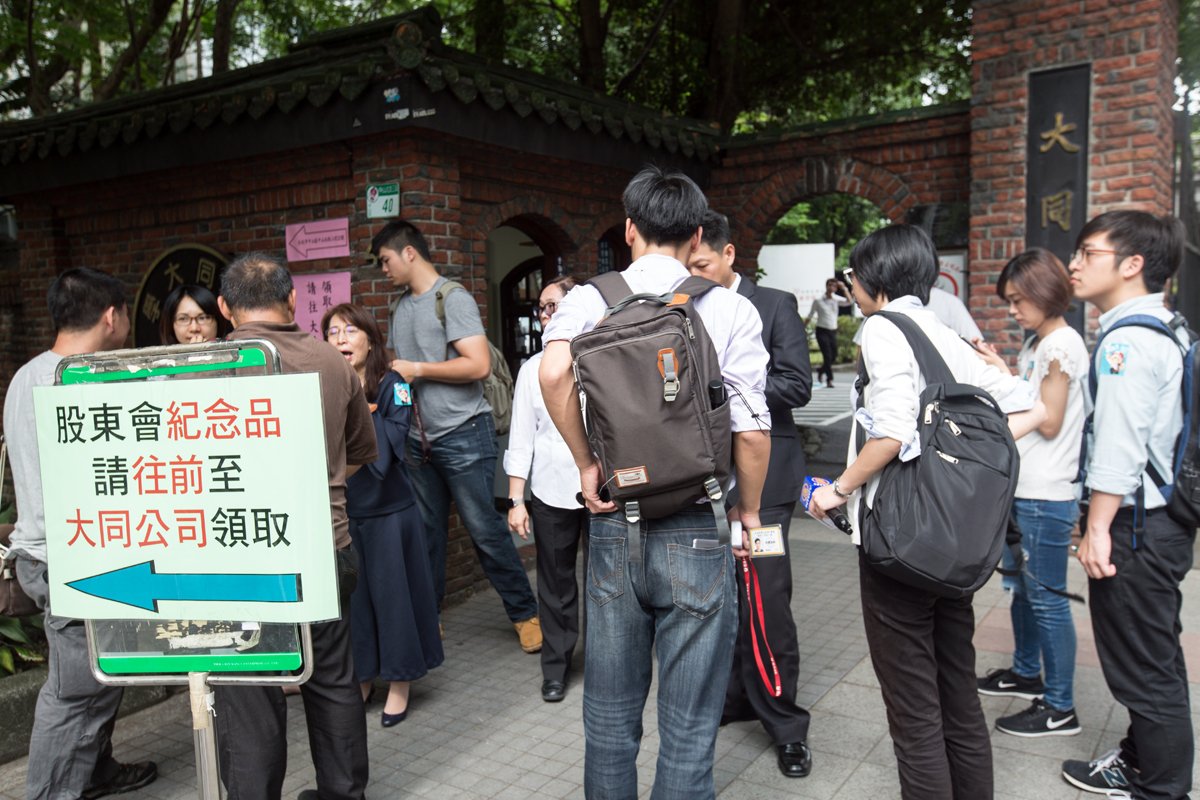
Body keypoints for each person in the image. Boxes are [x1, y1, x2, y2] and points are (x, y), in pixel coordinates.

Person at [540, 166, 772, 800]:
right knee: (690, 728)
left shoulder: (590, 298)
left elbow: (554, 374)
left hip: (617, 522)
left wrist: (588, 465)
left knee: (611, 722)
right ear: (697, 235)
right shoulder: (726, 306)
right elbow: (751, 432)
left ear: (630, 229)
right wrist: (747, 513)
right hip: (699, 522)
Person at [807, 224, 1046, 800]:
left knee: (915, 713)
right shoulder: (942, 330)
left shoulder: (884, 328)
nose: (852, 287)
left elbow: (890, 432)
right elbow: (1023, 403)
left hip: (901, 544)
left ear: (873, 280)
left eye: (853, 277)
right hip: (956, 542)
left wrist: (835, 491)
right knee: (957, 693)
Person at [214, 253, 377, 800]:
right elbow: (360, 450)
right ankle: (344, 793)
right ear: (290, 300)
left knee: (248, 689)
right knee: (332, 679)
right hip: (325, 544)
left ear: (223, 307)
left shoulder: (206, 366)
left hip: (238, 554)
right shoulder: (332, 362)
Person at [1059, 210, 1193, 800]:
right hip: (1163, 521)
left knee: (1146, 666)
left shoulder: (1128, 341)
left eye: (1089, 253)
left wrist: (1098, 527)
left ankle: (1161, 788)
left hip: (1137, 525)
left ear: (1133, 265)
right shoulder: (1170, 325)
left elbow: (1119, 444)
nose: (1075, 264)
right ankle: (1139, 763)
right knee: (1153, 653)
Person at [6, 268, 153, 800]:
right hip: (74, 559)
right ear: (112, 315)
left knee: (101, 670)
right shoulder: (90, 379)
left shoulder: (28, 374)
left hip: (46, 552)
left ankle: (96, 770)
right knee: (76, 693)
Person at [688, 210, 816, 779]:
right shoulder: (685, 307)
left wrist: (729, 383)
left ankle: (786, 723)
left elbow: (797, 384)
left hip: (769, 483)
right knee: (725, 598)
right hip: (709, 480)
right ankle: (739, 698)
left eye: (703, 264)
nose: (694, 274)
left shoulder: (773, 305)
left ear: (729, 254)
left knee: (766, 597)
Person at [373, 220, 541, 654]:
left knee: (484, 529)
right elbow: (400, 368)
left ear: (409, 252)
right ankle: (429, 622)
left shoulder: (453, 299)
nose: (383, 270)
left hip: (465, 433)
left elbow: (478, 365)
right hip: (417, 439)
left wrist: (419, 369)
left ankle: (525, 614)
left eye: (386, 260)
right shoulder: (398, 307)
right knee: (427, 532)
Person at [971, 248, 1089, 738]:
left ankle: (1059, 706)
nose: (1013, 310)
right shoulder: (1040, 343)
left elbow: (1051, 418)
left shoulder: (1060, 345)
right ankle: (1025, 673)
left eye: (1019, 301)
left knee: (1046, 600)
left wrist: (990, 409)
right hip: (1030, 489)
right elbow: (1037, 399)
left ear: (1044, 294)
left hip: (1046, 493)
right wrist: (1006, 371)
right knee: (1022, 590)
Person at [323, 302, 444, 728]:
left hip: (391, 514)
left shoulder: (394, 384)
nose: (340, 340)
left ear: (370, 341)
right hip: (346, 514)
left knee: (395, 601)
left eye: (350, 331)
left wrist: (360, 404)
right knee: (357, 605)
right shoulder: (324, 388)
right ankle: (363, 677)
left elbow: (391, 442)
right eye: (332, 332)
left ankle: (400, 682)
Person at [504, 275, 586, 703]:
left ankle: (612, 659)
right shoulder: (531, 369)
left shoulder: (600, 360)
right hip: (551, 491)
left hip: (603, 490)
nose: (546, 314)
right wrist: (517, 500)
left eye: (555, 306)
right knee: (555, 583)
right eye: (542, 308)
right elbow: (522, 439)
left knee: (610, 579)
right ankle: (555, 666)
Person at [807, 277, 851, 388]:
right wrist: (802, 328)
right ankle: (829, 380)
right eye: (830, 285)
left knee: (834, 355)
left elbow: (850, 301)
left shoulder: (836, 299)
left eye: (834, 286)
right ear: (826, 286)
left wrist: (844, 288)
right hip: (821, 330)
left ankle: (821, 370)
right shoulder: (818, 300)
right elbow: (810, 315)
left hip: (832, 331)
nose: (832, 288)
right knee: (827, 355)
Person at [158, 284, 227, 344]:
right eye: (183, 319)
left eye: (203, 318)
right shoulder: (159, 359)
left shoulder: (237, 355)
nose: (194, 328)